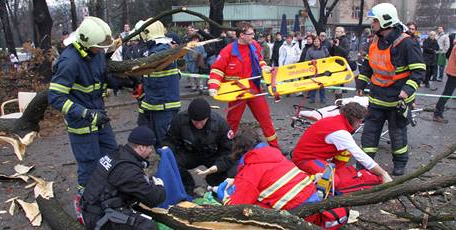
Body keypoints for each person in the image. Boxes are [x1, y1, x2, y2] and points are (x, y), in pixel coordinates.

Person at [48, 16, 119, 223]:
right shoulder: (69, 61)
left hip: (99, 116)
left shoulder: (95, 53)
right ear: (87, 43)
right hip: (81, 122)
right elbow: (56, 97)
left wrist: (118, 82)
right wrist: (85, 113)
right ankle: (84, 204)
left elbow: (100, 74)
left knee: (111, 155)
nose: (100, 50)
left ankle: (106, 195)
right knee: (89, 166)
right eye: (98, 47)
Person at [220, 129, 349, 229]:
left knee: (251, 208)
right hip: (313, 208)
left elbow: (237, 209)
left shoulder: (249, 172)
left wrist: (224, 196)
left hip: (296, 217)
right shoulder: (275, 155)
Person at [356, 3, 425, 176]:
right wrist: (361, 83)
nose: (372, 24)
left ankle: (400, 163)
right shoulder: (374, 41)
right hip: (377, 97)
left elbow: (419, 71)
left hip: (398, 99)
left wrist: (407, 91)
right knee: (369, 133)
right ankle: (365, 165)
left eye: (375, 21)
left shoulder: (407, 43)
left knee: (397, 134)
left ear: (385, 21)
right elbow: (368, 65)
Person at [208, 21, 279, 148]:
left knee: (265, 119)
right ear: (241, 35)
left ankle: (275, 147)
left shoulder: (255, 46)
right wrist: (213, 86)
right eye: (251, 34)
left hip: (254, 89)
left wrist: (265, 68)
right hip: (237, 92)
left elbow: (260, 60)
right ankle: (226, 149)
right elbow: (217, 70)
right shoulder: (228, 51)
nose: (253, 36)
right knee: (232, 122)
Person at [81, 126, 166, 230]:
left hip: (92, 205)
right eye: (150, 147)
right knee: (148, 227)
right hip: (98, 217)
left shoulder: (117, 154)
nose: (151, 151)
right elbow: (154, 199)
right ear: (141, 147)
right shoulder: (128, 169)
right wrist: (159, 186)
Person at [292, 102, 392, 182]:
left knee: (345, 150)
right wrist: (382, 173)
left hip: (312, 155)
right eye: (361, 121)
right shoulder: (340, 132)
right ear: (355, 119)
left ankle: (336, 171)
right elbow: (360, 156)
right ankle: (301, 180)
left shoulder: (337, 120)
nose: (360, 124)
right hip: (306, 159)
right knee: (333, 180)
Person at [164, 98, 235, 194]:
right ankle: (187, 185)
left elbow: (229, 150)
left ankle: (214, 184)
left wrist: (218, 166)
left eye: (202, 121)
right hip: (189, 153)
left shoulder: (220, 124)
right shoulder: (180, 120)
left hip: (213, 155)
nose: (198, 125)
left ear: (208, 117)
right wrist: (167, 150)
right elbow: (170, 140)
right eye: (195, 121)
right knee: (170, 161)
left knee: (232, 167)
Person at [138, 18, 181, 147]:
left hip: (163, 106)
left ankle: (172, 167)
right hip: (158, 104)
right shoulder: (162, 49)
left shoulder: (159, 52)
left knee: (165, 144)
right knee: (159, 142)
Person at [434, 40, 456, 123]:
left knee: (447, 93)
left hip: (453, 72)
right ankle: (437, 114)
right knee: (447, 94)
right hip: (453, 74)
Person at [305, 36, 330, 104]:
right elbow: (306, 59)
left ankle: (323, 99)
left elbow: (328, 58)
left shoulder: (324, 49)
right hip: (313, 70)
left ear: (320, 42)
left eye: (317, 41)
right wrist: (311, 62)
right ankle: (312, 99)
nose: (316, 42)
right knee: (313, 84)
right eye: (315, 41)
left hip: (322, 69)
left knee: (322, 85)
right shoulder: (310, 50)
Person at [330, 26, 351, 99]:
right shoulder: (337, 40)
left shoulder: (345, 40)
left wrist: (338, 46)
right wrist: (332, 46)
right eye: (336, 31)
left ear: (343, 32)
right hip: (336, 65)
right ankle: (338, 101)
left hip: (342, 65)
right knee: (337, 84)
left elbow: (346, 53)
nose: (336, 33)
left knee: (339, 85)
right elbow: (333, 54)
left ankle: (339, 102)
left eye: (338, 31)